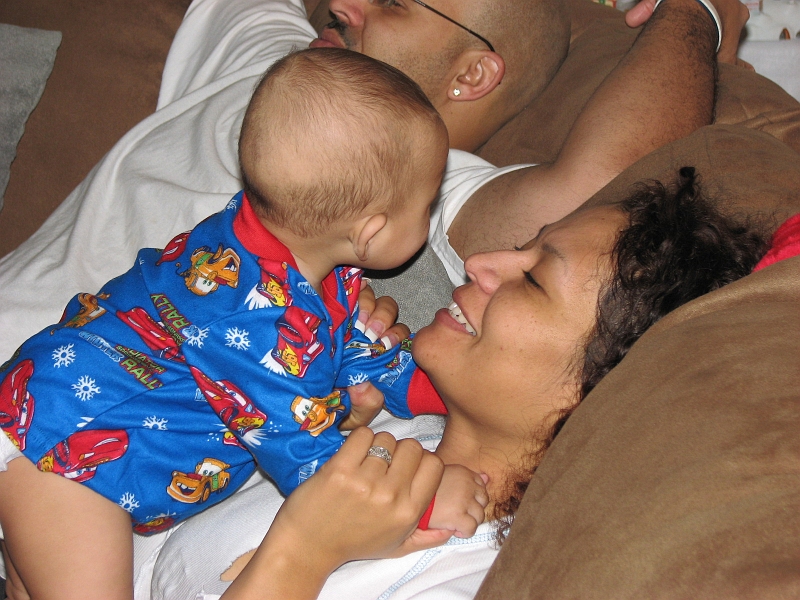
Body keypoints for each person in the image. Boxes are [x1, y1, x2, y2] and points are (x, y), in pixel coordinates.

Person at [137, 167, 767, 600]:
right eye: (524, 246)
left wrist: (304, 551)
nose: (481, 262)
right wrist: (308, 387)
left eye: (536, 279)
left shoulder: (471, 575)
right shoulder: (393, 425)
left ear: (596, 392)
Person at [0, 48, 495, 599]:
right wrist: (425, 500)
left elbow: (355, 350)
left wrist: (456, 391)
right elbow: (302, 451)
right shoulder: (252, 317)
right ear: (371, 231)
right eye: (427, 205)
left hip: (69, 439)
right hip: (65, 441)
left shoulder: (287, 255)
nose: (430, 217)